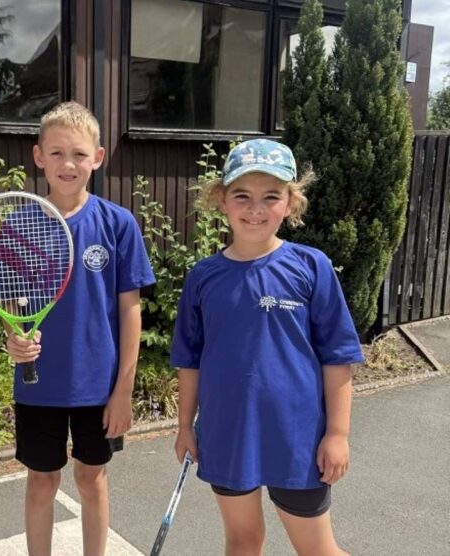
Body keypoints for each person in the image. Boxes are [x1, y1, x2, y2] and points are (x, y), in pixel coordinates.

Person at [170, 138, 363, 556]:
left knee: (319, 551)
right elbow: (190, 361)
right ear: (221, 200)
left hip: (298, 439)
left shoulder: (311, 266)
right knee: (243, 542)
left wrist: (338, 433)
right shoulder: (202, 277)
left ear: (290, 204)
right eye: (242, 195)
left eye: (271, 197)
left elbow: (339, 358)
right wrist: (185, 426)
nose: (255, 208)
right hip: (227, 435)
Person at [5, 101, 155, 556]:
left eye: (78, 154)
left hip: (100, 385)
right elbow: (10, 302)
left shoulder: (117, 224)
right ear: (38, 156)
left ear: (99, 157)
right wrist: (14, 337)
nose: (67, 164)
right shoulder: (19, 224)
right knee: (41, 481)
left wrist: (124, 390)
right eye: (56, 153)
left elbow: (131, 312)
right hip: (38, 385)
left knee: (92, 479)